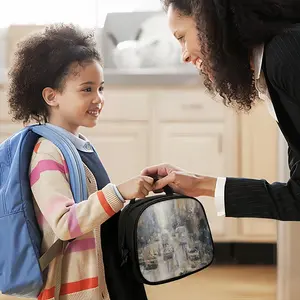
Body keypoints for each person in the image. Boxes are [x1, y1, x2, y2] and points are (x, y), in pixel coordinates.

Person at [8, 24, 153, 300]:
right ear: (52, 96)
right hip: (78, 287)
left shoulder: (78, 145)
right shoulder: (47, 154)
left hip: (105, 274)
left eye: (100, 88)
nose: (98, 99)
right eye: (86, 89)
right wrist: (120, 192)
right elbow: (64, 223)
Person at [142, 0, 300, 221]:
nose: (184, 55)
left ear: (211, 23)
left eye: (182, 37)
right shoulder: (274, 61)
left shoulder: (287, 55)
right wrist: (199, 184)